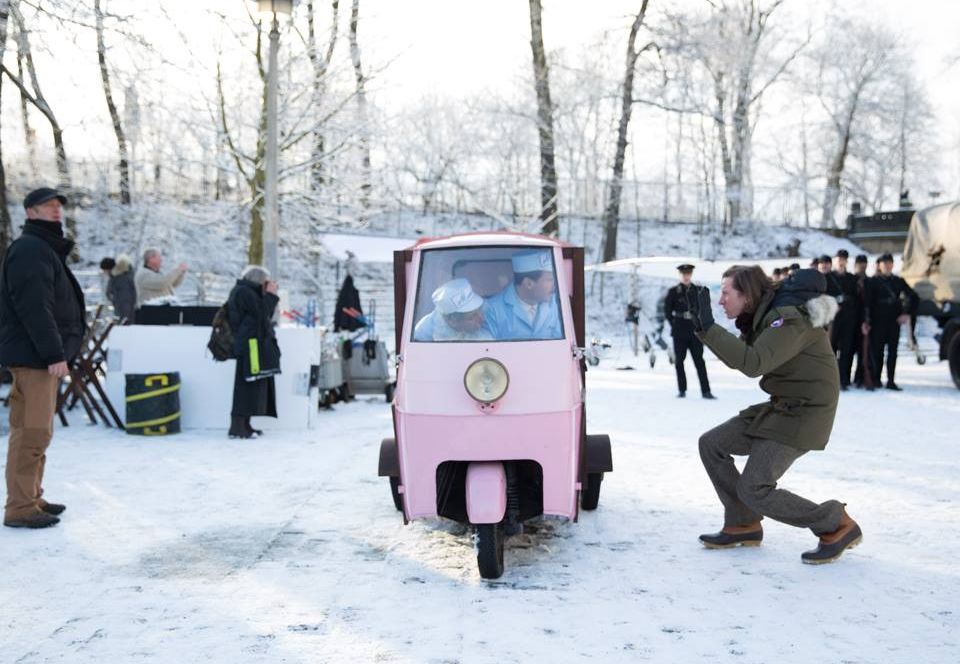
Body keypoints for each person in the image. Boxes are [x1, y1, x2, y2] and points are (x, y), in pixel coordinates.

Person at [692, 266, 862, 564]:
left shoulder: (788, 320)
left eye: (726, 293)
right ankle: (743, 521)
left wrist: (708, 327)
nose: (721, 301)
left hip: (805, 413)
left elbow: (753, 363)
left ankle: (835, 522)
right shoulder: (765, 316)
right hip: (782, 407)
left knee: (754, 488)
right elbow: (747, 359)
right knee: (712, 443)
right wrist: (705, 328)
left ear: (746, 295)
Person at [0, 187, 86, 529]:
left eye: (57, 206)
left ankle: (31, 496)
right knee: (32, 432)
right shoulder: (30, 250)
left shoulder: (41, 248)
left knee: (36, 431)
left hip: (38, 355)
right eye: (46, 206)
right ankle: (20, 506)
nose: (55, 210)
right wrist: (53, 352)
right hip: (35, 356)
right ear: (30, 212)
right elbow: (35, 307)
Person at [226, 266, 281, 439]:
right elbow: (261, 313)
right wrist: (271, 295)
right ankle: (237, 427)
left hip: (250, 343)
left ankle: (245, 424)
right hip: (248, 344)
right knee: (245, 385)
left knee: (251, 384)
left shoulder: (245, 291)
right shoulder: (244, 292)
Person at [863, 253, 918, 391]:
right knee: (877, 351)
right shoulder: (872, 282)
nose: (887, 266)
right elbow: (867, 303)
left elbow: (913, 296)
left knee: (893, 352)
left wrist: (906, 313)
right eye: (884, 263)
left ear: (893, 265)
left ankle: (891, 380)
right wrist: (866, 320)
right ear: (879, 265)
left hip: (894, 320)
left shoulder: (898, 281)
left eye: (889, 263)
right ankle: (876, 379)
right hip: (877, 320)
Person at [484, 250, 562, 340]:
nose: (555, 285)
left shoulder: (556, 304)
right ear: (528, 283)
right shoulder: (492, 309)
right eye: (550, 279)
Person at [663, 264, 714, 399]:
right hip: (679, 330)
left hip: (695, 330)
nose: (686, 276)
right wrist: (673, 323)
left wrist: (702, 326)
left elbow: (704, 309)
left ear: (691, 275)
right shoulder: (673, 292)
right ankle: (682, 390)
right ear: (680, 275)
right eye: (683, 274)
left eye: (688, 274)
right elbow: (667, 311)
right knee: (679, 361)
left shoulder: (698, 290)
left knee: (699, 361)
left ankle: (706, 391)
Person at [413, 278, 493, 341]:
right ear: (452, 320)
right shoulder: (423, 332)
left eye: (479, 311)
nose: (481, 319)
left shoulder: (487, 318)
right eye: (472, 317)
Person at [825, 250, 860, 390]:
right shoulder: (828, 278)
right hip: (832, 319)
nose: (841, 261)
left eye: (844, 259)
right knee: (831, 349)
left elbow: (856, 298)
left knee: (846, 350)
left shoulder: (851, 278)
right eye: (839, 258)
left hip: (848, 318)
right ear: (835, 260)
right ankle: (831, 380)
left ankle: (844, 379)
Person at [852, 254, 871, 388]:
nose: (862, 267)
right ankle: (844, 378)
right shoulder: (850, 280)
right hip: (850, 321)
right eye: (860, 264)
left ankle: (860, 377)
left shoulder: (870, 282)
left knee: (863, 351)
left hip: (864, 321)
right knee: (847, 351)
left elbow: (870, 303)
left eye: (864, 265)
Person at [102, 255, 136, 324]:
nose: (103, 273)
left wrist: (124, 319)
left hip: (125, 315)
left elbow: (125, 300)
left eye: (104, 270)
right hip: (124, 313)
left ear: (108, 269)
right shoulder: (118, 277)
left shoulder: (120, 279)